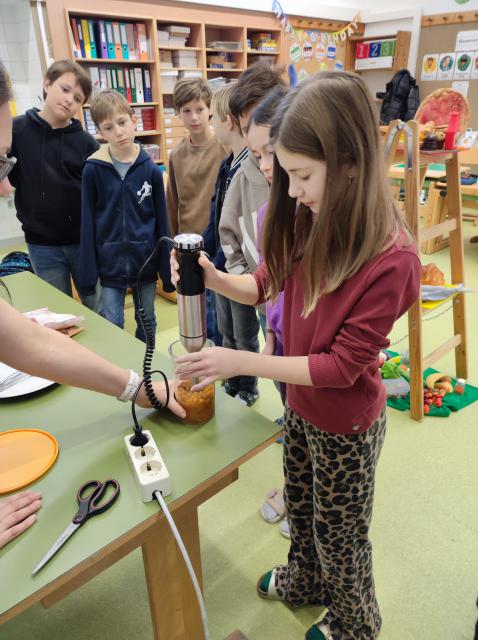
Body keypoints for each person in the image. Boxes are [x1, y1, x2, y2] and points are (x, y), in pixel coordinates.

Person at [171, 71, 421, 639]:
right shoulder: (306, 215)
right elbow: (264, 283)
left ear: (350, 161)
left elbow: (340, 367)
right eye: (285, 173)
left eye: (302, 175)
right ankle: (306, 581)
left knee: (341, 538)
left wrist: (242, 362)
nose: (291, 190)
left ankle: (356, 623)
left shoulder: (392, 258)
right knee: (304, 512)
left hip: (346, 426)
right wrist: (212, 278)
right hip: (301, 408)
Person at [0, 63, 185, 550]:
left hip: (139, 265)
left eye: (4, 165)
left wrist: (136, 387)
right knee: (108, 320)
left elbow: (26, 341)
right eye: (3, 165)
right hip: (88, 257)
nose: (5, 183)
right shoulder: (87, 162)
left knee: (135, 325)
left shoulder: (137, 165)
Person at [79, 89, 173, 342]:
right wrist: (88, 275)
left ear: (134, 120)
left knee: (147, 319)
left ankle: (146, 364)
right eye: (109, 128)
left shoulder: (150, 170)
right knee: (112, 321)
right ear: (100, 132)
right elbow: (87, 224)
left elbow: (162, 223)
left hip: (145, 262)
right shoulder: (93, 170)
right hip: (109, 265)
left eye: (122, 123)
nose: (118, 132)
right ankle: (117, 367)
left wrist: (166, 272)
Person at [217, 63, 285, 406]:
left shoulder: (300, 175)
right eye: (247, 128)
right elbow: (228, 233)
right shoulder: (243, 175)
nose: (255, 136)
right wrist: (248, 281)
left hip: (300, 303)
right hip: (263, 296)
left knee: (296, 366)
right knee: (277, 363)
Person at [7, 60, 101, 309]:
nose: (70, 100)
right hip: (41, 245)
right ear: (47, 84)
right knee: (58, 313)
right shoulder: (16, 130)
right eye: (65, 89)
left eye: (78, 98)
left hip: (83, 243)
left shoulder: (87, 143)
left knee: (99, 308)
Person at [247, 86, 289, 538]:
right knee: (294, 425)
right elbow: (270, 285)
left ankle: (303, 499)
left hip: (319, 369)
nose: (263, 166)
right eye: (256, 155)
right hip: (284, 350)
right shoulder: (269, 216)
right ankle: (296, 493)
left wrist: (244, 362)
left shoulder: (320, 220)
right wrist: (273, 336)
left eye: (270, 154)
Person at [203, 82, 248, 346]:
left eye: (213, 118)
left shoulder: (250, 168)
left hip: (240, 270)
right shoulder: (226, 165)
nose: (211, 125)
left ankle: (245, 377)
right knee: (225, 331)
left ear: (228, 122)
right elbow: (216, 214)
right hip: (220, 264)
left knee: (243, 336)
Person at [166, 77, 227, 237]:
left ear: (210, 110)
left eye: (199, 109)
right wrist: (174, 242)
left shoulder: (227, 149)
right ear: (178, 113)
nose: (194, 117)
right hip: (188, 240)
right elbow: (172, 206)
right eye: (186, 111)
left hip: (219, 239)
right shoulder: (176, 155)